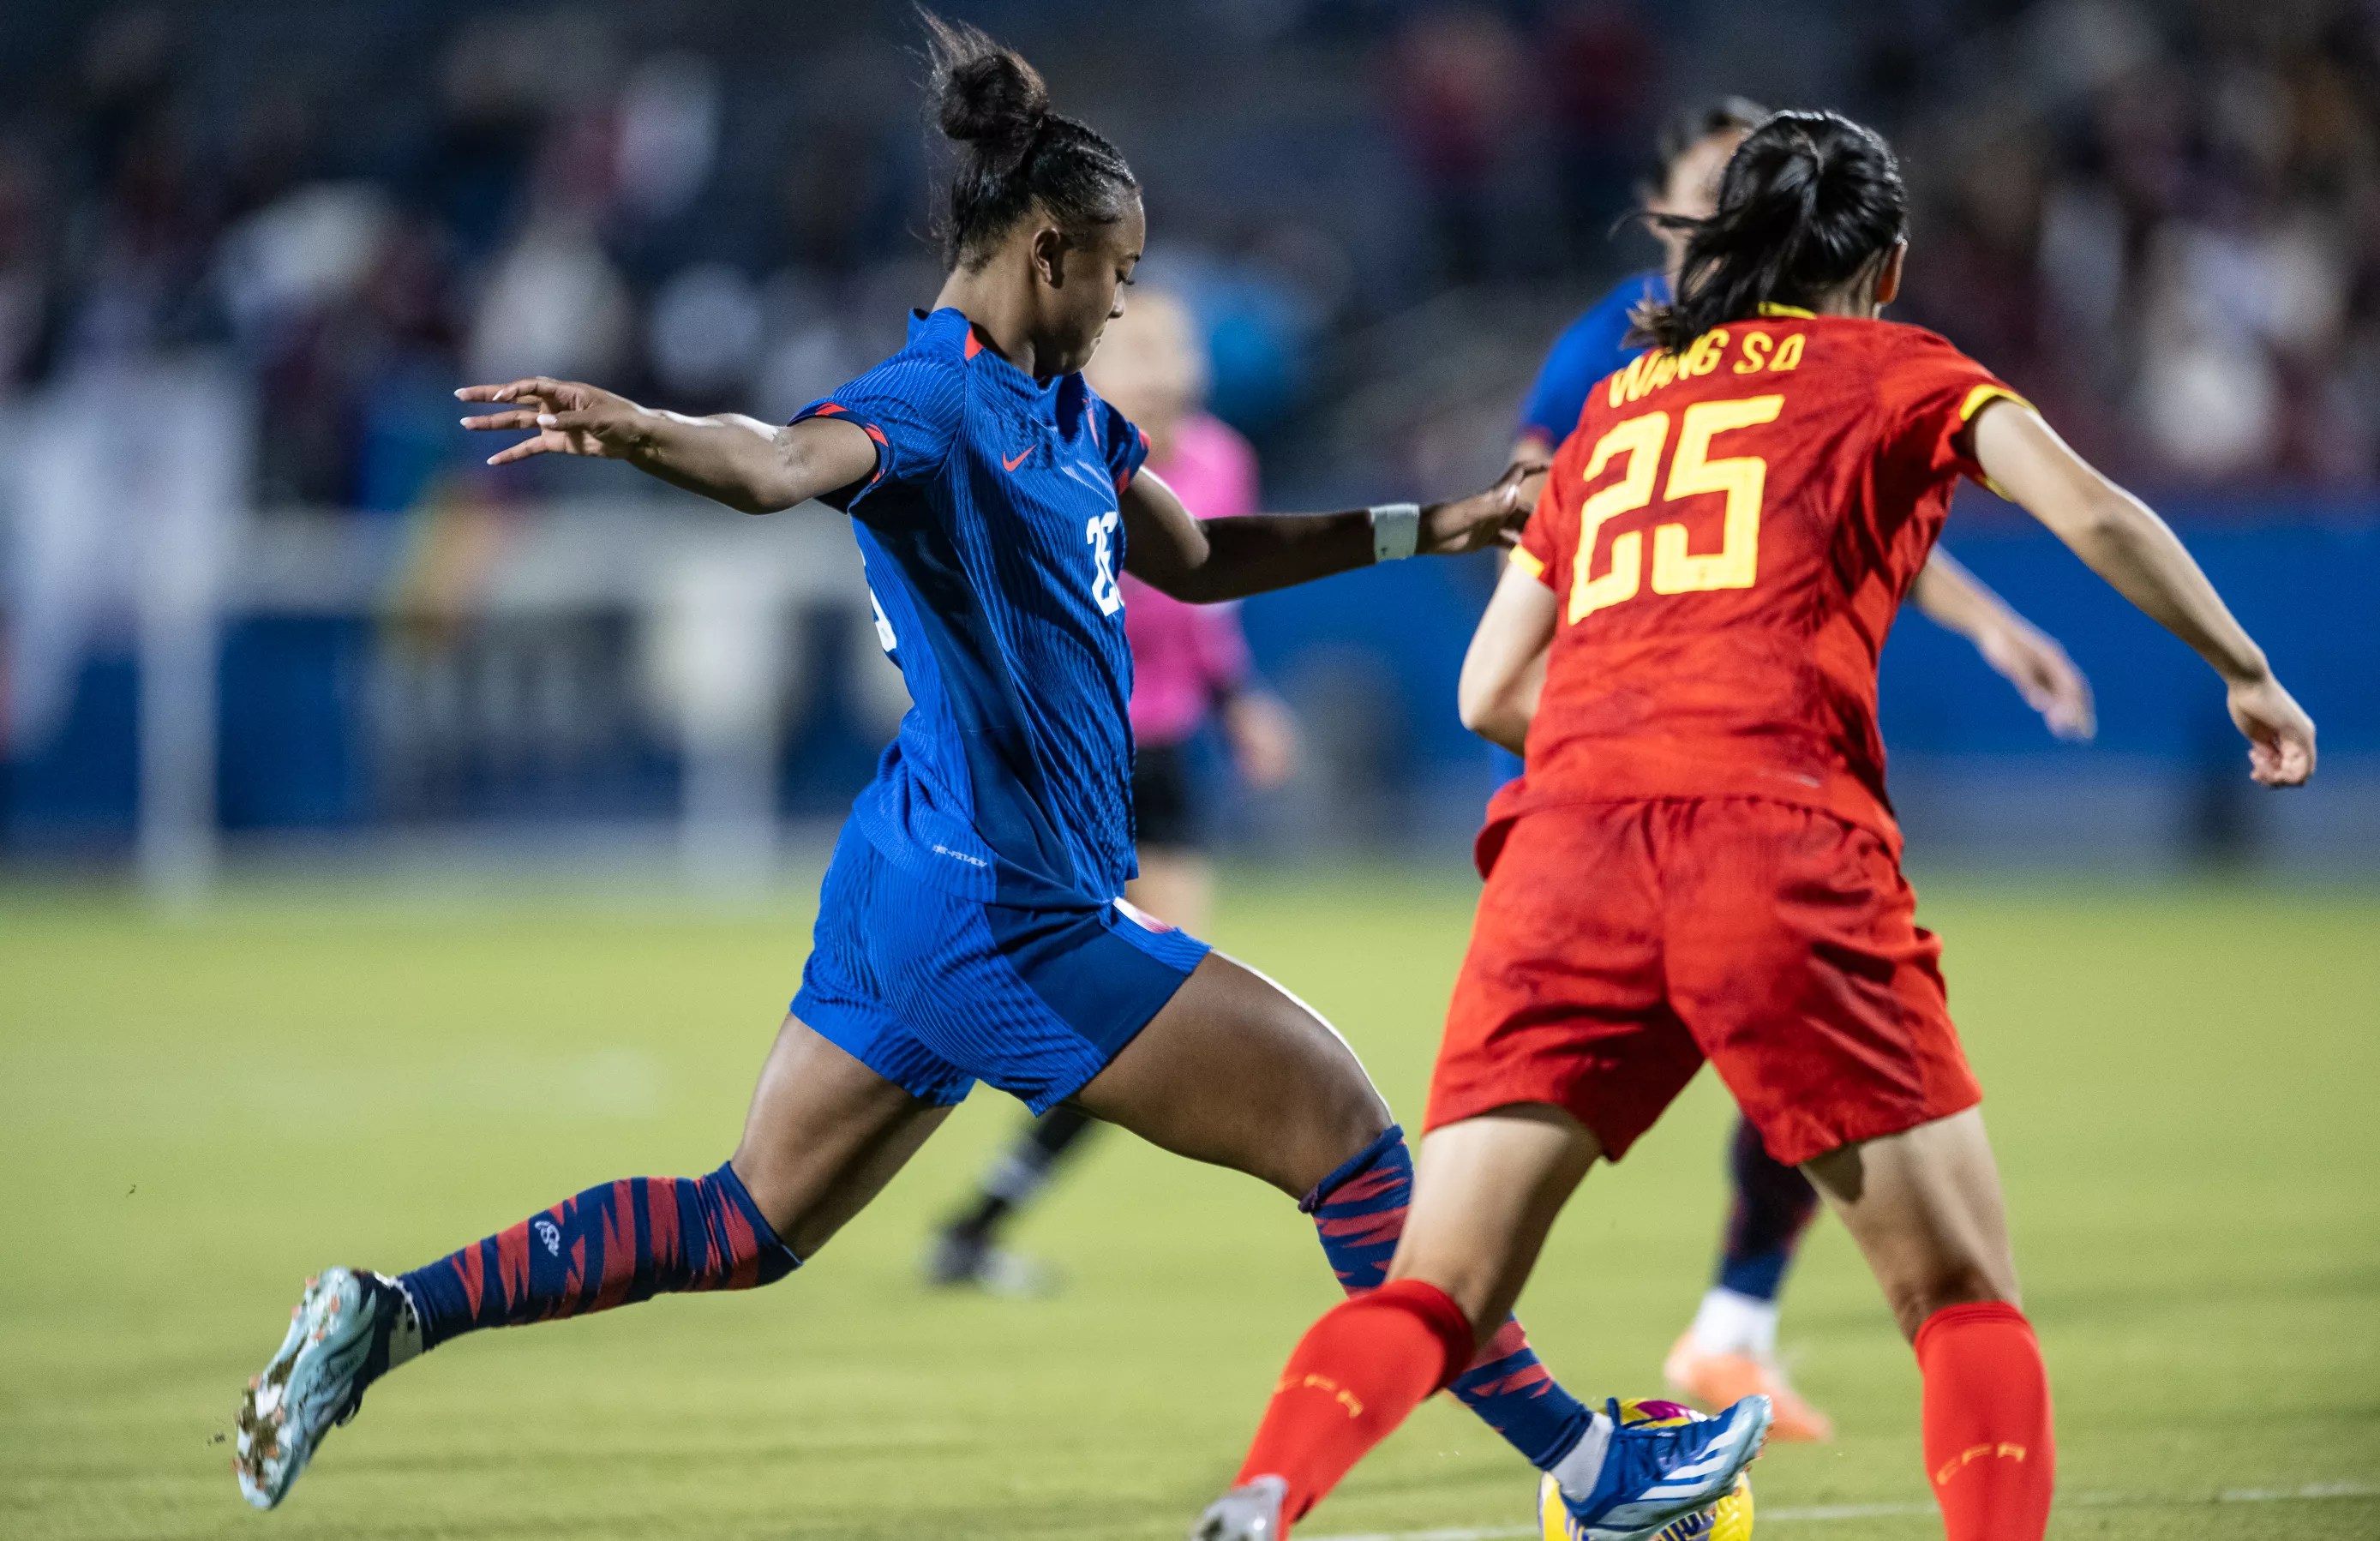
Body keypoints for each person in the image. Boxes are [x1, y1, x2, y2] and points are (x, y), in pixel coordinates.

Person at [230, 20, 1746, 1523]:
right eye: (1118, 273)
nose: (1124, 302)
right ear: (1045, 251)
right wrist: (645, 433)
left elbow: (1199, 557)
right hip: (1006, 910)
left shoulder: (1067, 410)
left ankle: (387, 1312)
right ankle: (1591, 1467)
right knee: (1343, 1129)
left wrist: (1438, 521)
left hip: (918, 875)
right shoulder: (935, 401)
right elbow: (777, 461)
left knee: (746, 1220)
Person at [1192, 110, 2315, 1541]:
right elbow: (2091, 512)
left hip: (1566, 850)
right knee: (1958, 1295)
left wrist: (1625, 745)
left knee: (1439, 1286)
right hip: (1771, 839)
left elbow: (1487, 691)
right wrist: (2244, 669)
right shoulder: (1902, 367)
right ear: (1884, 266)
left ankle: (1266, 1492)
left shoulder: (1620, 403)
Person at [1511, 97, 2095, 1444]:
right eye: (1713, 183)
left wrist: (1989, 621)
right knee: (1739, 1058)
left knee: (1783, 1058)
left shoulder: (1804, 352)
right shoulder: (1610, 349)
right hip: (1612, 760)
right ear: (1670, 203)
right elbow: (1535, 513)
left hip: (1722, 770)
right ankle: (1628, 1380)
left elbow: (1824, 502)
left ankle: (1724, 1331)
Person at [924, 285, 1300, 1293]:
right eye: (1142, 352)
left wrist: (1239, 705)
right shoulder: (1049, 455)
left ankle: (978, 1220)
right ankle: (949, 1191)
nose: (1165, 370)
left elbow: (1208, 605)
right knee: (1087, 994)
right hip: (1060, 758)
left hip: (1162, 759)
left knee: (1152, 998)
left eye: (1178, 350)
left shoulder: (1220, 459)